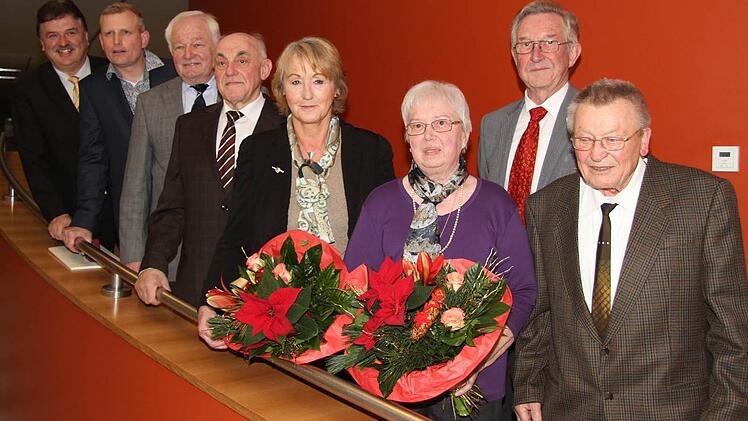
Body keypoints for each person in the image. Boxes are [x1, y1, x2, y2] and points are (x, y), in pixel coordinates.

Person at [513, 79, 748, 421]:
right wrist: (528, 385)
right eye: (584, 140)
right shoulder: (546, 207)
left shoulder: (703, 201)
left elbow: (733, 336)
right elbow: (542, 313)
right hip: (571, 409)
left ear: (644, 140)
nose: (596, 154)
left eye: (612, 140)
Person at [344, 81, 537, 420]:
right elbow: (353, 290)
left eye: (442, 123)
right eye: (417, 126)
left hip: (475, 391)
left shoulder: (495, 204)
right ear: (407, 139)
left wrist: (476, 359)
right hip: (393, 387)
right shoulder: (381, 203)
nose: (428, 135)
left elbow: (523, 291)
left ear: (465, 137)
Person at [197, 36, 395, 348]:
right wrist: (210, 302)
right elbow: (236, 234)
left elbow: (389, 246)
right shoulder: (257, 151)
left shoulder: (371, 151)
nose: (306, 94)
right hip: (275, 324)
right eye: (295, 81)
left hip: (353, 326)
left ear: (336, 88)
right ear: (281, 90)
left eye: (318, 81)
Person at [136, 33, 283, 307]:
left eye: (242, 60)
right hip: (194, 290)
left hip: (262, 297)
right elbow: (172, 208)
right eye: (221, 62)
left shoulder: (286, 129)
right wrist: (153, 264)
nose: (230, 71)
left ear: (264, 69)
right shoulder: (190, 126)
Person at [62, 2, 176, 252]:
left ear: (144, 37)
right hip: (129, 216)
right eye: (108, 34)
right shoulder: (93, 88)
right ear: (101, 42)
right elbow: (93, 158)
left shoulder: (176, 74)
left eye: (125, 32)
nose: (116, 41)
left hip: (179, 207)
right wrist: (83, 220)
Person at [119, 11, 220, 276]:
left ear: (216, 47)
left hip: (227, 250)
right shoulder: (150, 103)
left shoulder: (246, 97)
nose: (188, 54)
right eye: (179, 47)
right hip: (167, 255)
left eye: (197, 44)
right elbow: (135, 185)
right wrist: (133, 255)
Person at [12, 0, 110, 244]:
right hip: (73, 218)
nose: (63, 43)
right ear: (43, 45)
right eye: (52, 36)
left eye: (71, 33)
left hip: (127, 211)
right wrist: (56, 212)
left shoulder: (114, 73)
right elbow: (35, 160)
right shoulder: (28, 89)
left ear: (86, 37)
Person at [479, 0, 581, 222]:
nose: (536, 55)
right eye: (525, 44)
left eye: (549, 42)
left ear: (572, 53)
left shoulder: (593, 119)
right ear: (515, 56)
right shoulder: (492, 126)